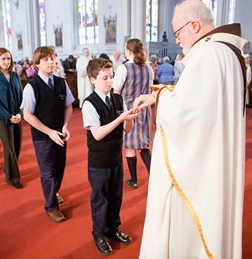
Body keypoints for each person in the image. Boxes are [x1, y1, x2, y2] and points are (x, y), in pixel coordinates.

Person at [135, 0, 246, 258]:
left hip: (199, 171)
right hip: (215, 157)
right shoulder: (227, 52)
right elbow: (204, 104)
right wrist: (163, 93)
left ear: (194, 25)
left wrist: (161, 98)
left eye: (178, 33)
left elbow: (186, 114)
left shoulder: (208, 54)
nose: (178, 41)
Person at [82, 58, 139, 255]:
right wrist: (121, 118)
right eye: (105, 78)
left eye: (111, 76)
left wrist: (130, 118)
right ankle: (99, 234)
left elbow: (127, 129)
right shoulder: (89, 103)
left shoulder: (117, 98)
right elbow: (97, 134)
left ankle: (113, 228)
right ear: (93, 80)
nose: (110, 81)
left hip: (116, 158)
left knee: (116, 197)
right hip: (99, 162)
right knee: (100, 200)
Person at [21, 46, 74, 222]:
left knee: (59, 168)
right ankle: (51, 206)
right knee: (48, 172)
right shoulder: (32, 86)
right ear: (37, 64)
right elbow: (27, 115)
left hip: (60, 134)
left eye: (53, 58)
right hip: (43, 136)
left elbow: (68, 106)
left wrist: (65, 126)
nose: (51, 62)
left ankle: (53, 191)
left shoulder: (61, 82)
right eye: (46, 59)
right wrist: (49, 132)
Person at [113, 38, 153, 189]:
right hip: (144, 108)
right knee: (143, 145)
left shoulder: (124, 68)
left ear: (129, 51)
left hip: (129, 110)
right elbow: (149, 89)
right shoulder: (148, 67)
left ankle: (134, 180)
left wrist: (118, 113)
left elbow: (116, 92)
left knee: (130, 146)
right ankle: (153, 177)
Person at [0, 47, 23, 189]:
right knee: (9, 148)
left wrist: (20, 113)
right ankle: (13, 178)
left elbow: (21, 97)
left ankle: (9, 169)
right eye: (3, 59)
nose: (6, 61)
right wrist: (9, 116)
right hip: (1, 117)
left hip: (17, 116)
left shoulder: (14, 75)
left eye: (8, 58)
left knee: (17, 147)